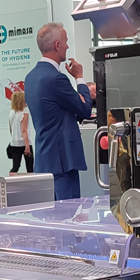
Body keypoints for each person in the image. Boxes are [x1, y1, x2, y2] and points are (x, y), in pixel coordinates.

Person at [24, 21, 92, 201]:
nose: (67, 46)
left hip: (44, 162)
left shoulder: (30, 78)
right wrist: (79, 77)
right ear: (57, 44)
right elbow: (85, 110)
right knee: (67, 214)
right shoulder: (56, 79)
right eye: (66, 41)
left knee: (49, 214)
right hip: (63, 164)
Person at [7, 90, 33, 174]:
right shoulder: (24, 113)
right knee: (30, 168)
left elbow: (11, 129)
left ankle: (8, 180)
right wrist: (27, 146)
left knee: (15, 167)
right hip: (24, 143)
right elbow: (24, 130)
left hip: (15, 143)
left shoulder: (11, 113)